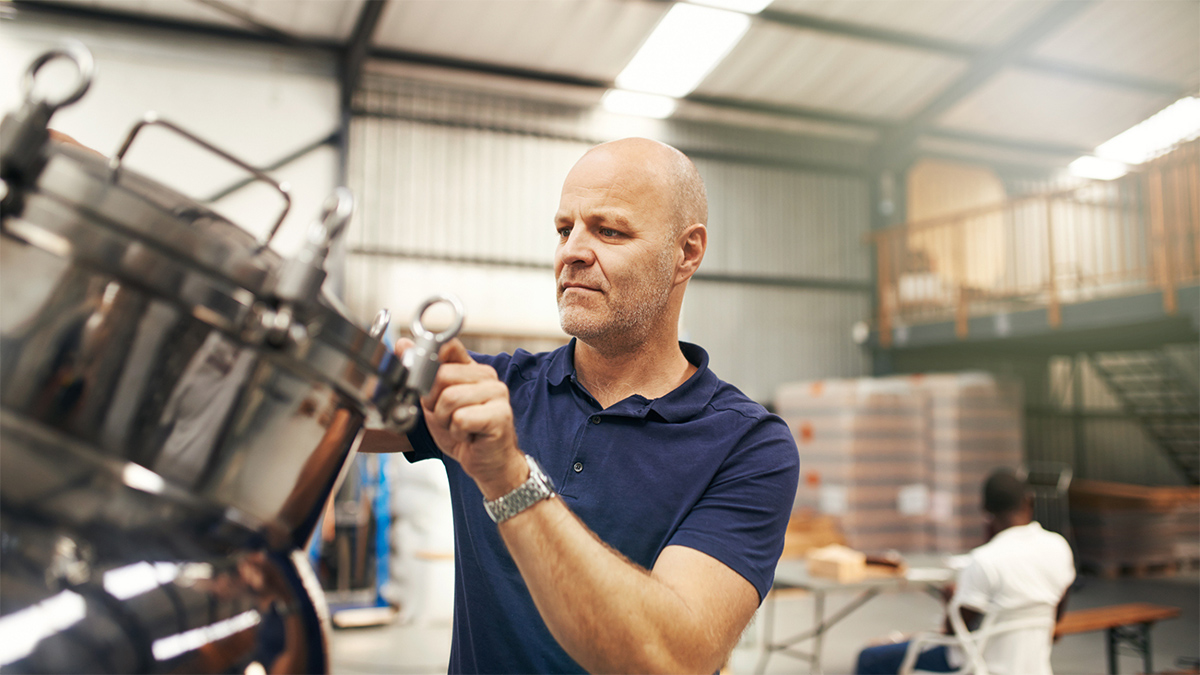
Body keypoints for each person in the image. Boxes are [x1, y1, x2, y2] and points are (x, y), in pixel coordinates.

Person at [362, 137, 800, 674]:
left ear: (686, 253)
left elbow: (672, 659)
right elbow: (321, 411)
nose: (571, 251)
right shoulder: (493, 389)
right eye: (564, 229)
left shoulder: (747, 446)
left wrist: (508, 477)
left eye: (609, 230)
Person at [854, 468, 1076, 675]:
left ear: (986, 513)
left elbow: (954, 631)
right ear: (1029, 502)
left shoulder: (985, 560)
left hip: (977, 663)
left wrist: (951, 600)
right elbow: (1057, 608)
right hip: (1034, 665)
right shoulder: (1058, 547)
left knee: (870, 658)